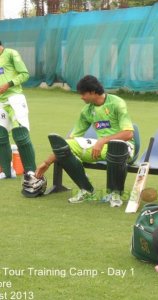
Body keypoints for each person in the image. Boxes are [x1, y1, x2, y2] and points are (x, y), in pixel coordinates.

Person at [35, 75, 135, 206]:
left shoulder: (117, 103)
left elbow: (128, 133)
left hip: (124, 148)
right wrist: (47, 163)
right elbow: (70, 139)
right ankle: (87, 190)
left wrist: (103, 140)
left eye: (83, 94)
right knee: (65, 147)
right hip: (101, 148)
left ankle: (115, 194)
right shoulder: (87, 111)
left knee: (115, 147)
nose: (81, 97)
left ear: (93, 92)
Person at [0, 40, 37, 181]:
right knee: (1, 137)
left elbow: (24, 74)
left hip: (15, 98)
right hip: (1, 102)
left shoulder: (11, 53)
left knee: (20, 136)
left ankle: (31, 171)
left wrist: (9, 84)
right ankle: (7, 172)